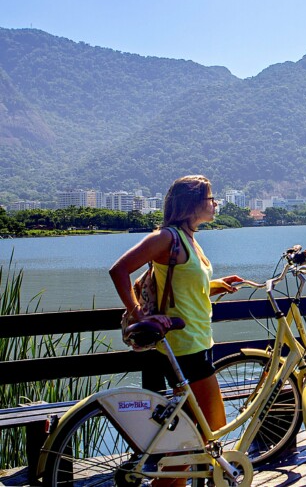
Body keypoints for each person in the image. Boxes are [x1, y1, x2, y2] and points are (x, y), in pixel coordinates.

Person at [109, 175, 243, 440]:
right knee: (212, 426)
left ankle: (177, 464)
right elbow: (119, 270)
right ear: (192, 203)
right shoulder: (167, 238)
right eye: (210, 198)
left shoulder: (189, 238)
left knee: (194, 429)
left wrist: (216, 285)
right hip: (184, 345)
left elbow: (184, 286)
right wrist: (139, 314)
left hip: (198, 340)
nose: (215, 203)